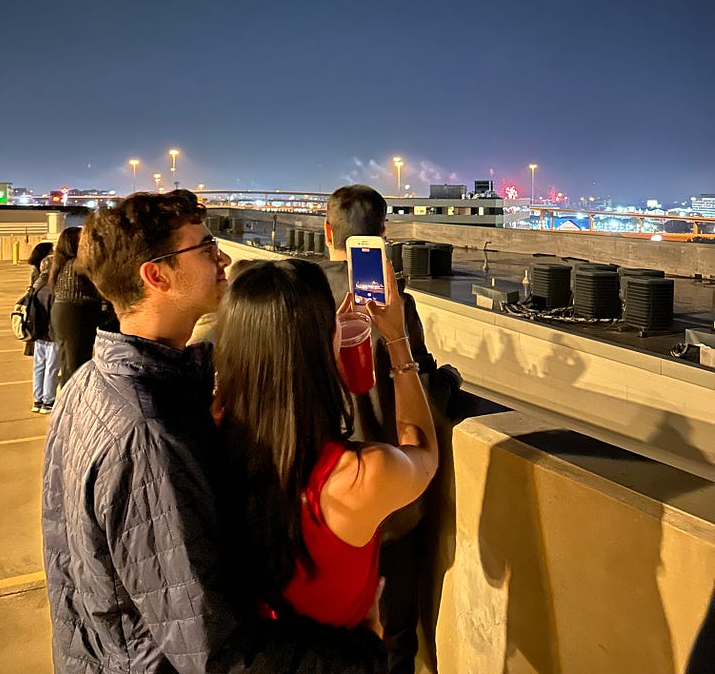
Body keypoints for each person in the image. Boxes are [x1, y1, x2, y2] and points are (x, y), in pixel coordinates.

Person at [42, 190, 384, 674]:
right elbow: (213, 652)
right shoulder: (147, 433)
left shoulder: (88, 385)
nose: (223, 257)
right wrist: (363, 653)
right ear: (155, 275)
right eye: (204, 249)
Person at [214, 257, 438, 631]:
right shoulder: (360, 476)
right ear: (321, 348)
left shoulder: (204, 445)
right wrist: (397, 342)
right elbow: (423, 451)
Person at [320, 184, 461, 674]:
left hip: (329, 497)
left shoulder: (309, 294)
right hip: (394, 503)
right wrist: (444, 379)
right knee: (397, 640)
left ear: (327, 233)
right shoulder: (392, 305)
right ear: (383, 235)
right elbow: (419, 391)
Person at [49, 226, 102, 385]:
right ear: (74, 243)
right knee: (76, 363)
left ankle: (68, 398)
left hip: (64, 312)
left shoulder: (60, 264)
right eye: (83, 239)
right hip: (75, 314)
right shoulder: (77, 264)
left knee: (69, 361)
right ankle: (71, 402)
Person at [31, 252, 59, 414]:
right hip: (51, 334)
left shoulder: (37, 286)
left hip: (38, 334)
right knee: (52, 368)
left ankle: (38, 399)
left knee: (39, 366)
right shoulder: (52, 289)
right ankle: (48, 400)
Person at [22, 241, 53, 358]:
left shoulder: (39, 269)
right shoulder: (40, 272)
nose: (53, 253)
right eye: (51, 251)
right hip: (39, 309)